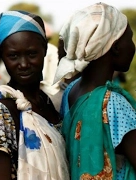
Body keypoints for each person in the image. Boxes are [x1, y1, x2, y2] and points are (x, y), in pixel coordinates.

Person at [0, 10, 69, 180]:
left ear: (45, 50)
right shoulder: (2, 109)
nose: (24, 64)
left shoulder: (48, 101)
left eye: (32, 54)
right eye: (13, 56)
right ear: (3, 57)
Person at [54, 2, 136, 179]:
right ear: (115, 47)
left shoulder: (71, 92)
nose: (133, 46)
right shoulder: (113, 102)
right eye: (130, 38)